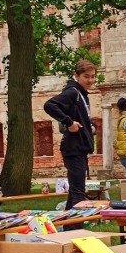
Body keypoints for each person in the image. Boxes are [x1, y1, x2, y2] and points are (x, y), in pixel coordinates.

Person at [43, 60, 96, 212]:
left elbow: (80, 115)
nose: (90, 80)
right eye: (86, 76)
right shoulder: (73, 92)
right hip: (73, 148)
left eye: (93, 77)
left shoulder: (82, 94)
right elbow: (49, 105)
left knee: (74, 191)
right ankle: (75, 230)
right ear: (77, 76)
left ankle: (68, 227)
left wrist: (89, 126)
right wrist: (69, 122)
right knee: (79, 193)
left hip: (80, 147)